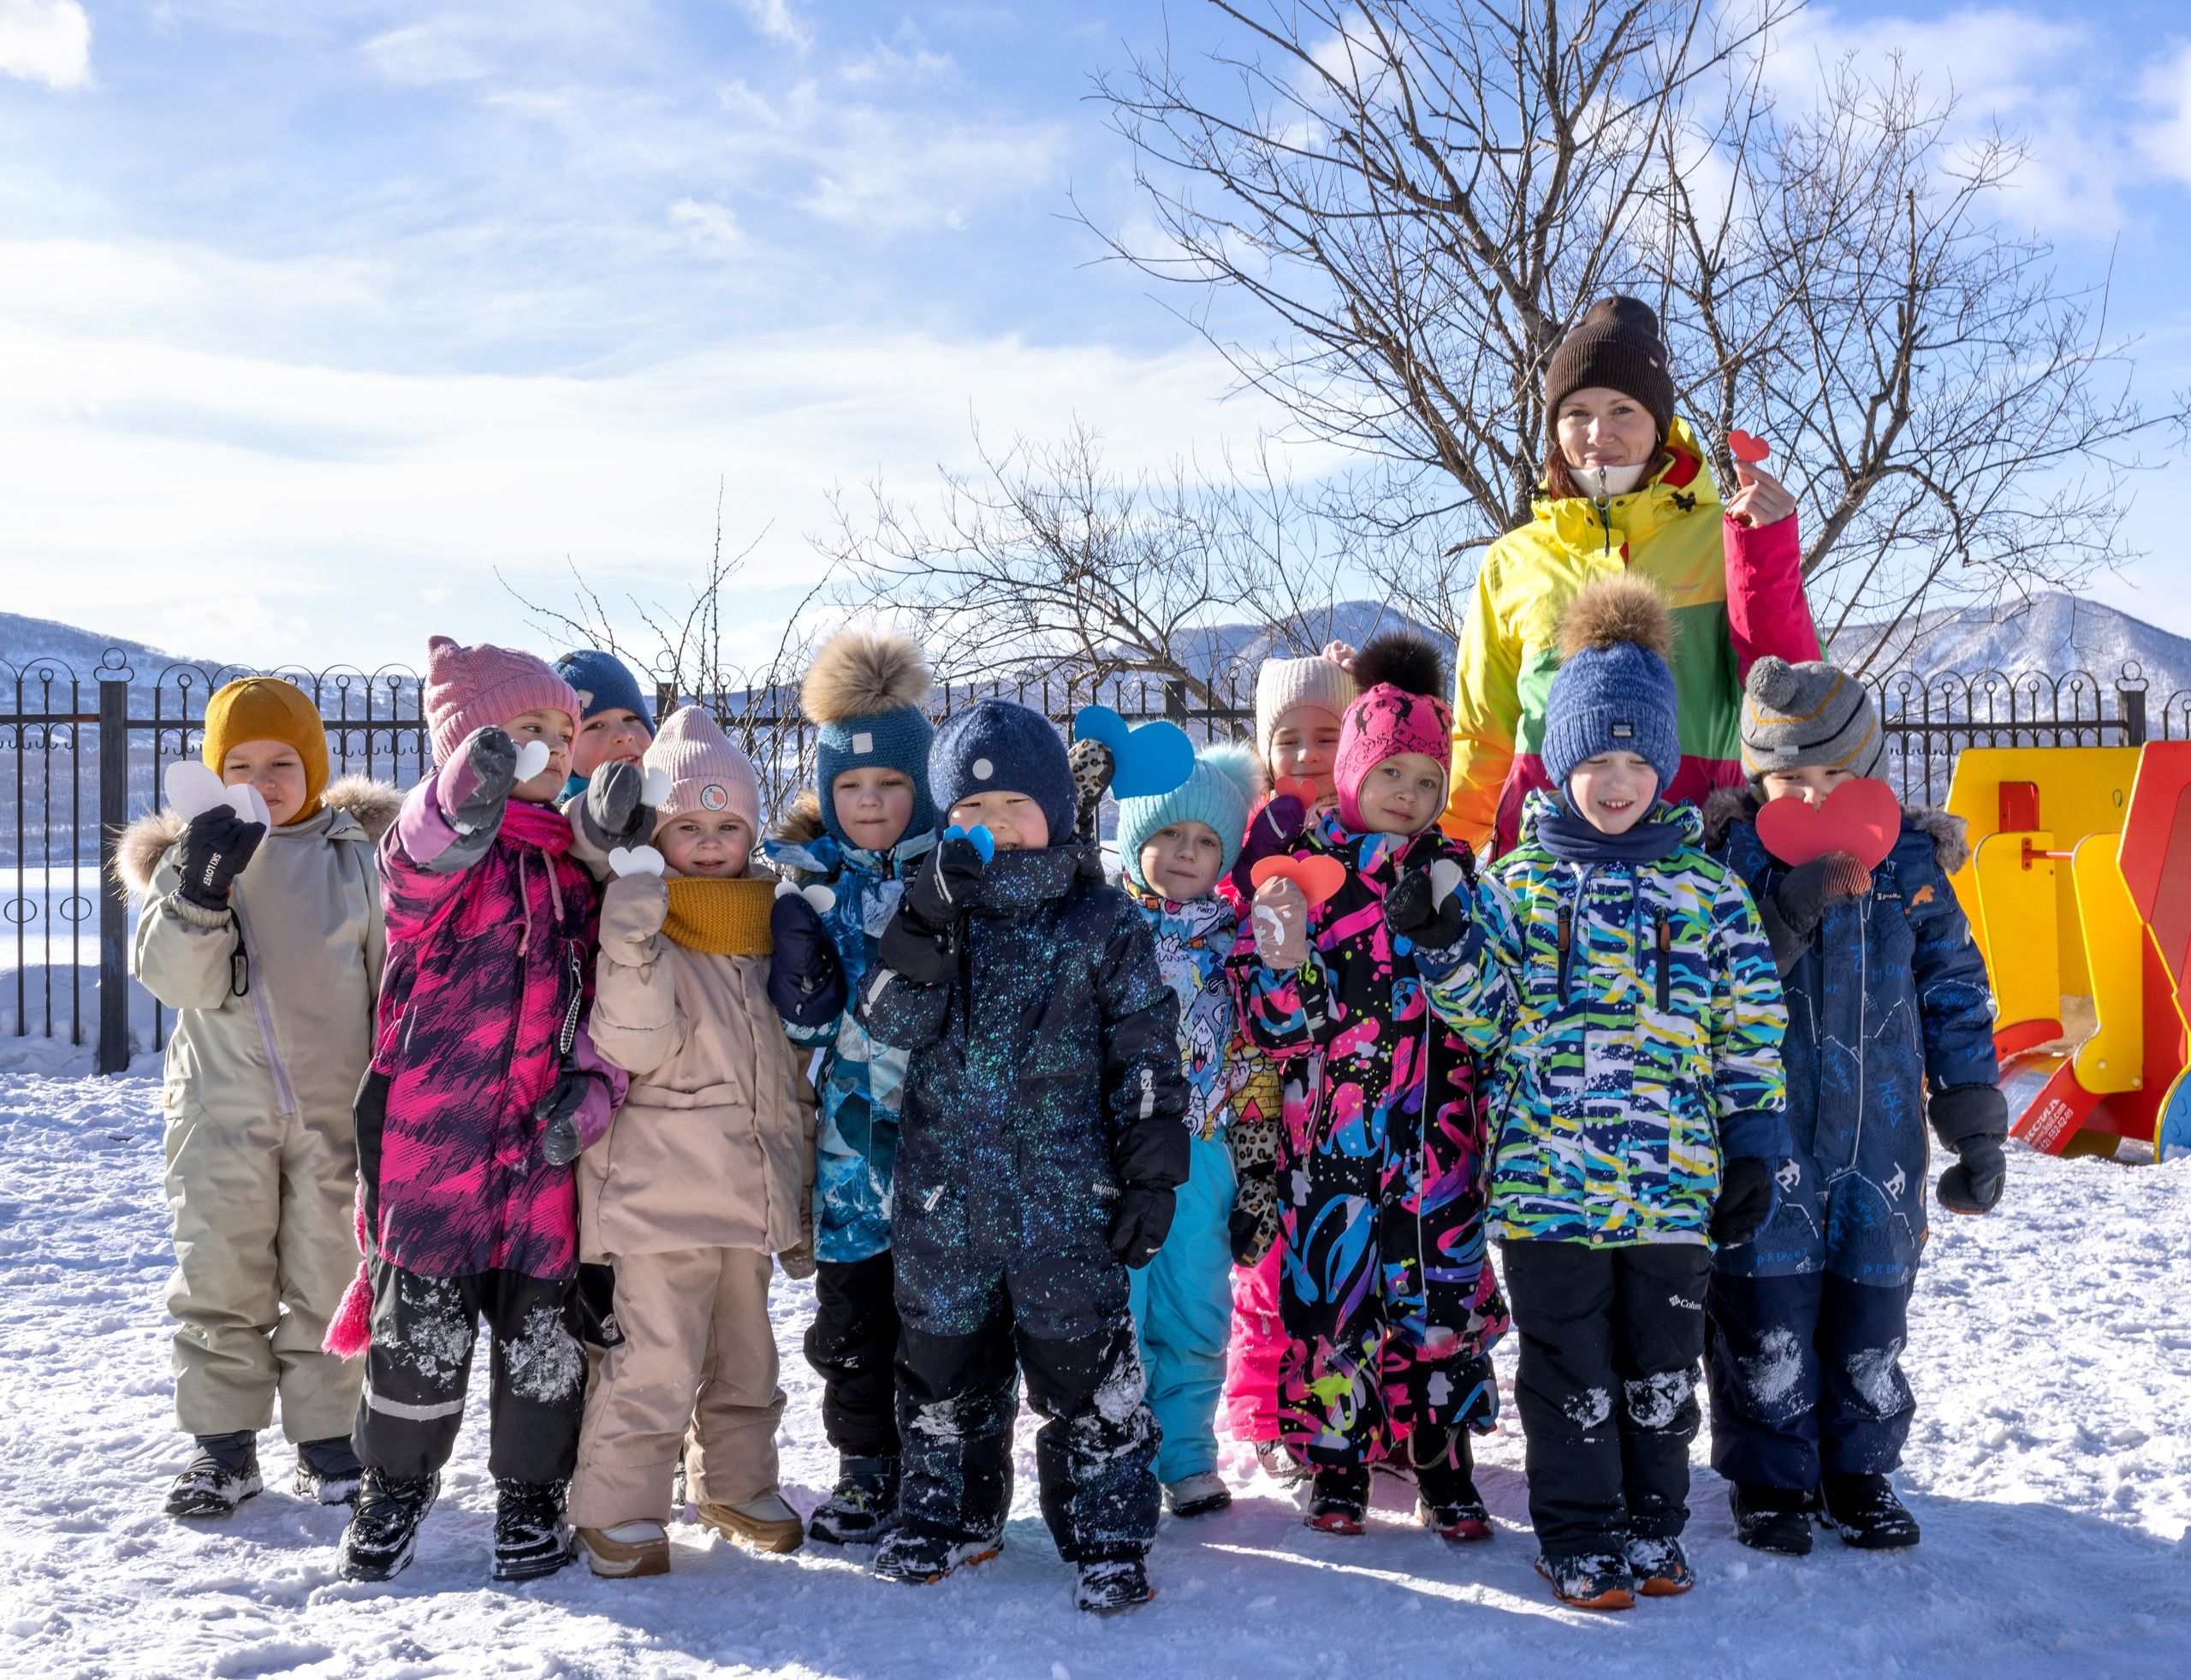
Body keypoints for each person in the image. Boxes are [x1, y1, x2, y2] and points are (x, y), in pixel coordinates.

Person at [1422, 578, 1790, 1610]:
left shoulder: (1708, 890)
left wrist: (1755, 1139)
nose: (1617, 780)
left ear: (1664, 765)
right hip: (1548, 1191)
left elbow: (1749, 1030)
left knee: (1661, 1370)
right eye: (1596, 759)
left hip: (1673, 1187)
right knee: (1566, 1373)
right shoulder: (1518, 885)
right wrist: (1447, 945)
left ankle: (1651, 1526)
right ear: (1561, 761)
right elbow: (1483, 1016)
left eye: (1637, 760)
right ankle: (1578, 1533)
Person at [858, 698, 1187, 1612]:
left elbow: (1145, 1047)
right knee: (941, 1369)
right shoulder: (928, 911)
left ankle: (1106, 1532)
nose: (991, 829)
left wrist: (1153, 1166)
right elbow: (887, 1017)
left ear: (1056, 810)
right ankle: (946, 1517)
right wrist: (922, 924)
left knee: (1086, 1372)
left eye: (1012, 810)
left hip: (1065, 1203)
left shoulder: (1101, 920)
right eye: (969, 813)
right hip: (945, 1206)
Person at [331, 638, 620, 1584]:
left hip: (538, 1147)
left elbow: (605, 1005)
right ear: (468, 747)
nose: (542, 747)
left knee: (542, 1335)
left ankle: (532, 1498)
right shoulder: (442, 859)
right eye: (517, 731)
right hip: (433, 1140)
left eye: (554, 732)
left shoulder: (575, 871)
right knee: (420, 1328)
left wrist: (593, 1087)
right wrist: (461, 792)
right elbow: (417, 853)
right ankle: (395, 1490)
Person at [1702, 658, 2005, 1555]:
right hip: (1771, 1130)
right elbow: (1713, 988)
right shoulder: (1733, 862)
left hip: (1883, 1142)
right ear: (1759, 781)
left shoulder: (1909, 864)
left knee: (1870, 1308)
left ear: (1869, 772)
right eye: (1790, 780)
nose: (1814, 796)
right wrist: (1780, 917)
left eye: (1834, 777)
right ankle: (1772, 1479)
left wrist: (1975, 1124)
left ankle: (1858, 1470)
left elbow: (1952, 987)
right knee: (1766, 1306)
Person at [1231, 632, 1508, 1541]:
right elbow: (1275, 1023)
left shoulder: (1457, 878)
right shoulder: (1307, 877)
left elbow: (1489, 1009)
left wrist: (1449, 940)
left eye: (1428, 781)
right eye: (1391, 774)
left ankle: (1440, 1455)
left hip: (1435, 1138)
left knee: (1435, 1298)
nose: (1410, 796)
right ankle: (1335, 1460)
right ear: (1351, 772)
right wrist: (1282, 956)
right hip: (1334, 1140)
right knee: (1331, 1302)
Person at [121, 678, 397, 1519]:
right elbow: (174, 979)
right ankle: (223, 1450)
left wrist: (393, 1086)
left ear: (312, 764)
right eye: (242, 763)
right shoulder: (193, 858)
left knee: (330, 1277)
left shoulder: (354, 857)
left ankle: (328, 1445)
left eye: (284, 761)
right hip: (219, 1114)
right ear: (214, 771)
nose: (266, 778)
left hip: (334, 1113)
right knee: (220, 1279)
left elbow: (392, 978)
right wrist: (200, 890)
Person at [567, 707, 826, 1576]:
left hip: (744, 1185)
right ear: (657, 833)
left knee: (746, 1355)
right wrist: (631, 938)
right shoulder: (647, 924)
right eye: (688, 826)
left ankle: (736, 1482)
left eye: (728, 826)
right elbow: (631, 1045)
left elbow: (786, 1065)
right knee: (657, 1359)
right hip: (659, 1193)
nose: (709, 843)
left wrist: (799, 1167)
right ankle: (618, 1506)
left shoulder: (760, 926)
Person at [1444, 294, 1820, 858]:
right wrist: (1455, 859)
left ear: (1658, 423)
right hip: (1543, 866)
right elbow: (1482, 733)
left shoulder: (1723, 538)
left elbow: (1786, 691)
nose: (1599, 432)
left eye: (1623, 409)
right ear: (1555, 429)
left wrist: (1764, 552)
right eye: (1577, 413)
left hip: (1695, 855)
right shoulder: (1510, 561)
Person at [762, 626, 939, 1546]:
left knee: (942, 1330)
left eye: (890, 784)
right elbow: (800, 1033)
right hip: (845, 1165)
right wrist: (800, 979)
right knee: (852, 1332)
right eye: (851, 787)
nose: (870, 803)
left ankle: (940, 1464)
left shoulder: (956, 874)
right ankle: (866, 1468)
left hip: (944, 1152)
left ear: (922, 787)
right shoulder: (805, 880)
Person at [1220, 644, 1358, 1486]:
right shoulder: (1248, 838)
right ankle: (1262, 1410)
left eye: (1326, 734)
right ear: (1264, 752)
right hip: (1263, 1086)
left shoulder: (1367, 832)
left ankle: (1339, 1408)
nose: (1306, 756)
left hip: (1345, 1083)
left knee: (1335, 1253)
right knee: (1263, 1250)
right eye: (1289, 740)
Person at [1113, 744, 1260, 1520]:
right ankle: (1121, 1450)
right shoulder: (1106, 923)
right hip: (1120, 1150)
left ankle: (1189, 1453)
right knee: (1123, 1305)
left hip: (1207, 1149)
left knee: (1197, 1306)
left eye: (1206, 841)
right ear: (1136, 836)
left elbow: (1268, 1041)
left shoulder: (1239, 936)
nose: (1185, 854)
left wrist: (1258, 1167)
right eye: (1168, 834)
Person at [555, 650, 655, 803]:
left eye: (631, 718)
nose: (624, 735)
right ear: (565, 746)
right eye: (596, 726)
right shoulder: (552, 822)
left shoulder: (681, 808)